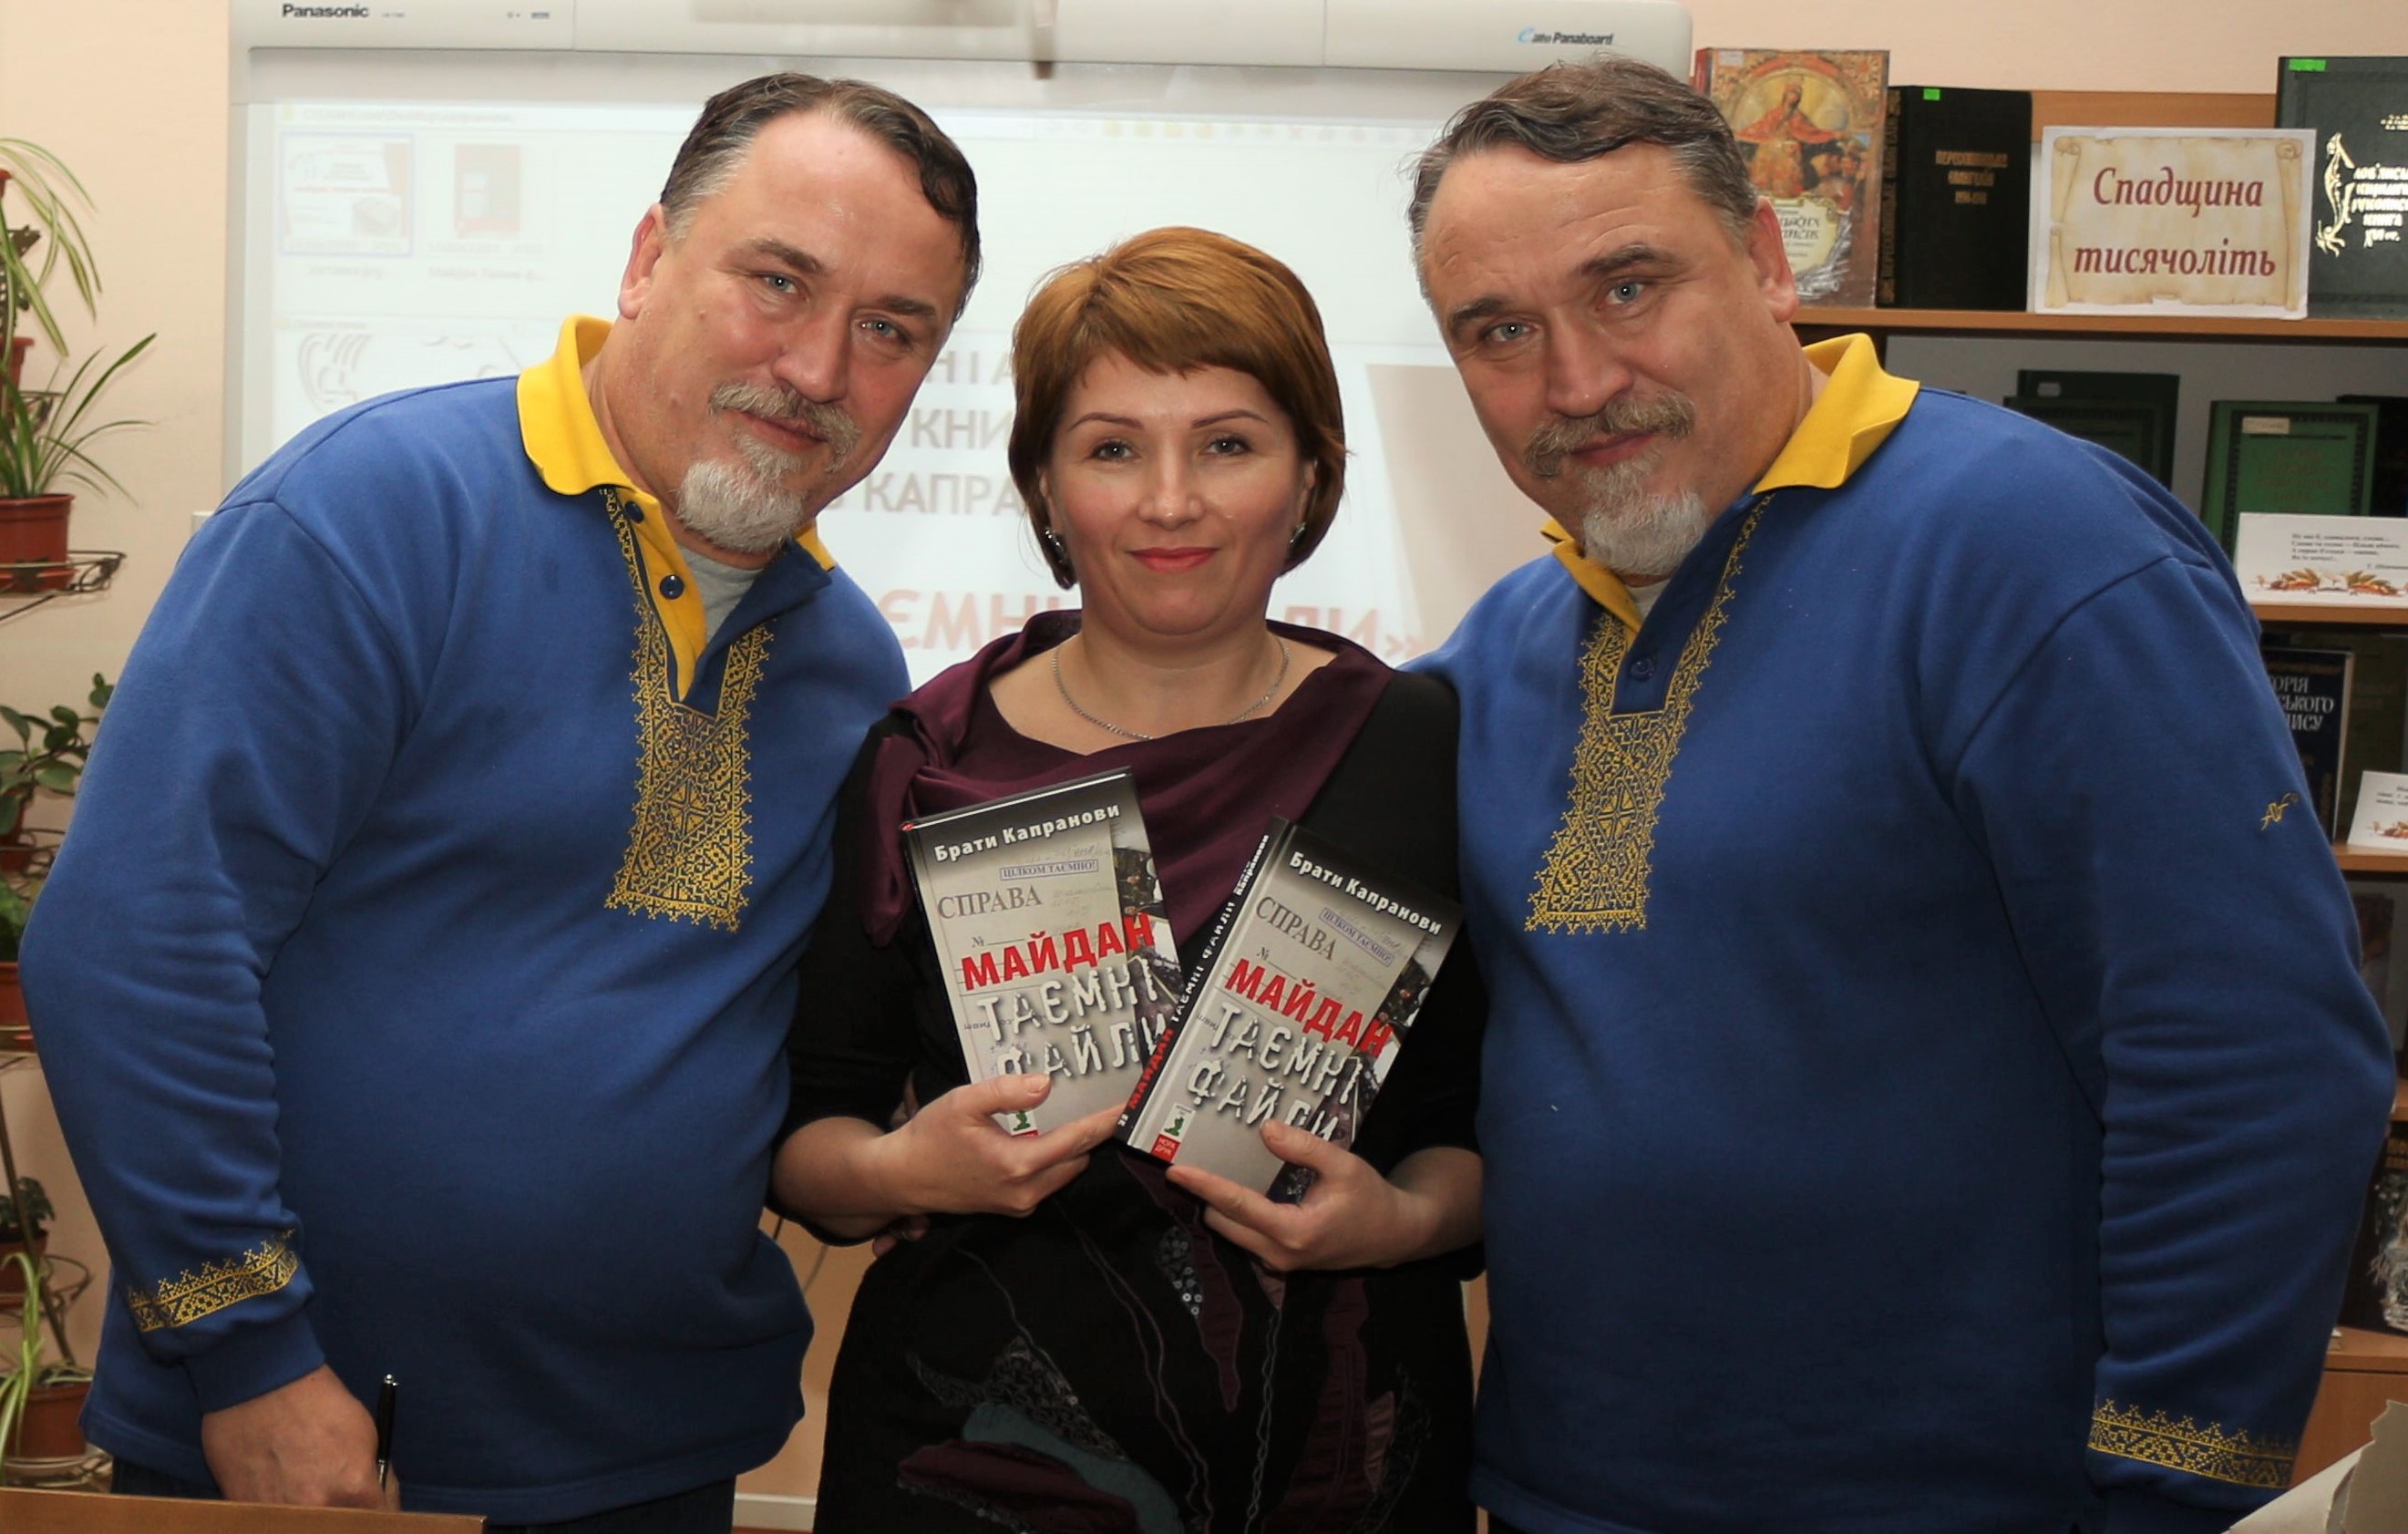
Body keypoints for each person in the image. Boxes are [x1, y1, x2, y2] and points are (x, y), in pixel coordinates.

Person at [1405, 57, 2396, 1534]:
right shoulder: (1501, 650)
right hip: (1563, 1494)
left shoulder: (2037, 549)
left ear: (1765, 261)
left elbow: (2250, 1064)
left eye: (1627, 288)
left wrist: (2166, 1490)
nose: (1577, 381)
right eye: (1499, 330)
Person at [18, 73, 980, 1529]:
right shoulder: (370, 514)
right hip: (316, 1445)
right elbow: (133, 946)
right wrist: (250, 1355)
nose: (817, 366)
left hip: (662, 1452)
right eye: (777, 281)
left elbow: (772, 1051)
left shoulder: (850, 664)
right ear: (648, 258)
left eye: (891, 330)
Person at [771, 225, 1485, 1533]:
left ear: (1310, 477)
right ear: (1044, 489)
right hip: (974, 1459)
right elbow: (810, 1142)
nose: (1169, 502)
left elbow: (1484, 1133)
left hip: (1331, 1457)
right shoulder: (927, 758)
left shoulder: (1419, 745)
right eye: (1111, 449)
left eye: (1227, 444)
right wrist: (908, 1173)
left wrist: (1392, 1222)